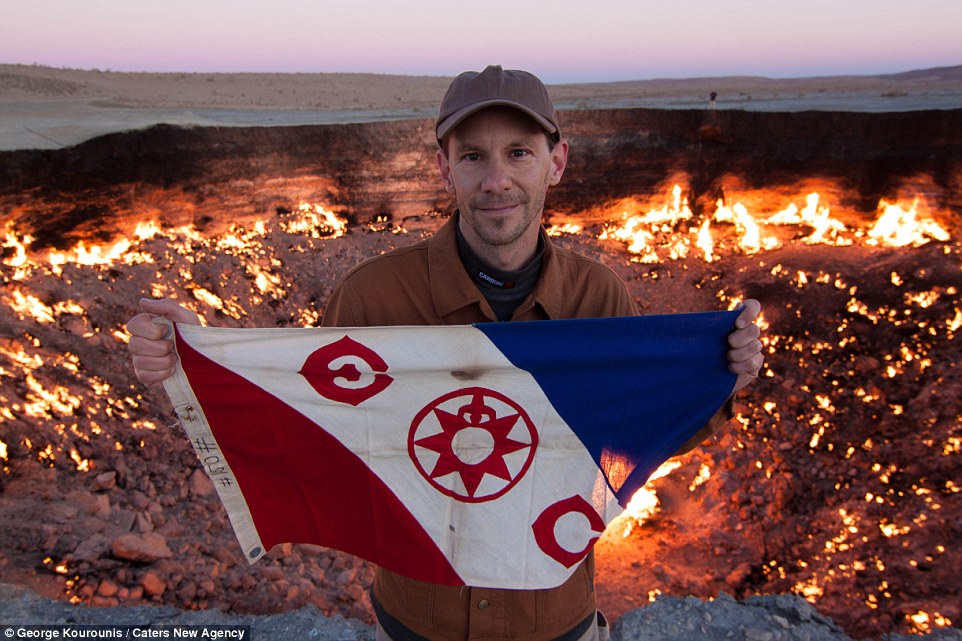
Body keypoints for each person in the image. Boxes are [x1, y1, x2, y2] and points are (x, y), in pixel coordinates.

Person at [127, 65, 764, 641]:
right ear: (443, 168)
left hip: (556, 629)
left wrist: (720, 376)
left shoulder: (599, 298)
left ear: (557, 161)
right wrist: (196, 358)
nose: (497, 180)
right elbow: (307, 424)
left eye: (519, 153)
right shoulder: (372, 298)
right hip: (413, 628)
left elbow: (635, 434)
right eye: (472, 157)